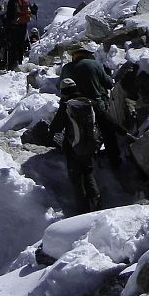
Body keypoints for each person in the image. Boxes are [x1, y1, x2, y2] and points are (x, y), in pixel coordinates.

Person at [60, 43, 123, 169]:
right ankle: (115, 161)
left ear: (74, 56)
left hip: (74, 106)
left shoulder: (67, 68)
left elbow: (60, 87)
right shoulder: (96, 65)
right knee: (107, 132)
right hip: (96, 105)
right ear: (87, 54)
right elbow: (109, 83)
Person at [50, 76, 101, 212]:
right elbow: (105, 120)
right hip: (90, 146)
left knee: (77, 179)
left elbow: (55, 127)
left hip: (73, 148)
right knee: (88, 173)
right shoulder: (89, 103)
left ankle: (82, 210)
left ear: (63, 91)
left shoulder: (67, 106)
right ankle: (96, 202)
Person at [5, 0, 37, 69]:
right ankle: (20, 60)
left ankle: (13, 64)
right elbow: (33, 11)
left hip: (13, 27)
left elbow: (9, 16)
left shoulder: (11, 2)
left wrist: (7, 27)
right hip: (23, 25)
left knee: (13, 44)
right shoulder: (25, 1)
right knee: (21, 43)